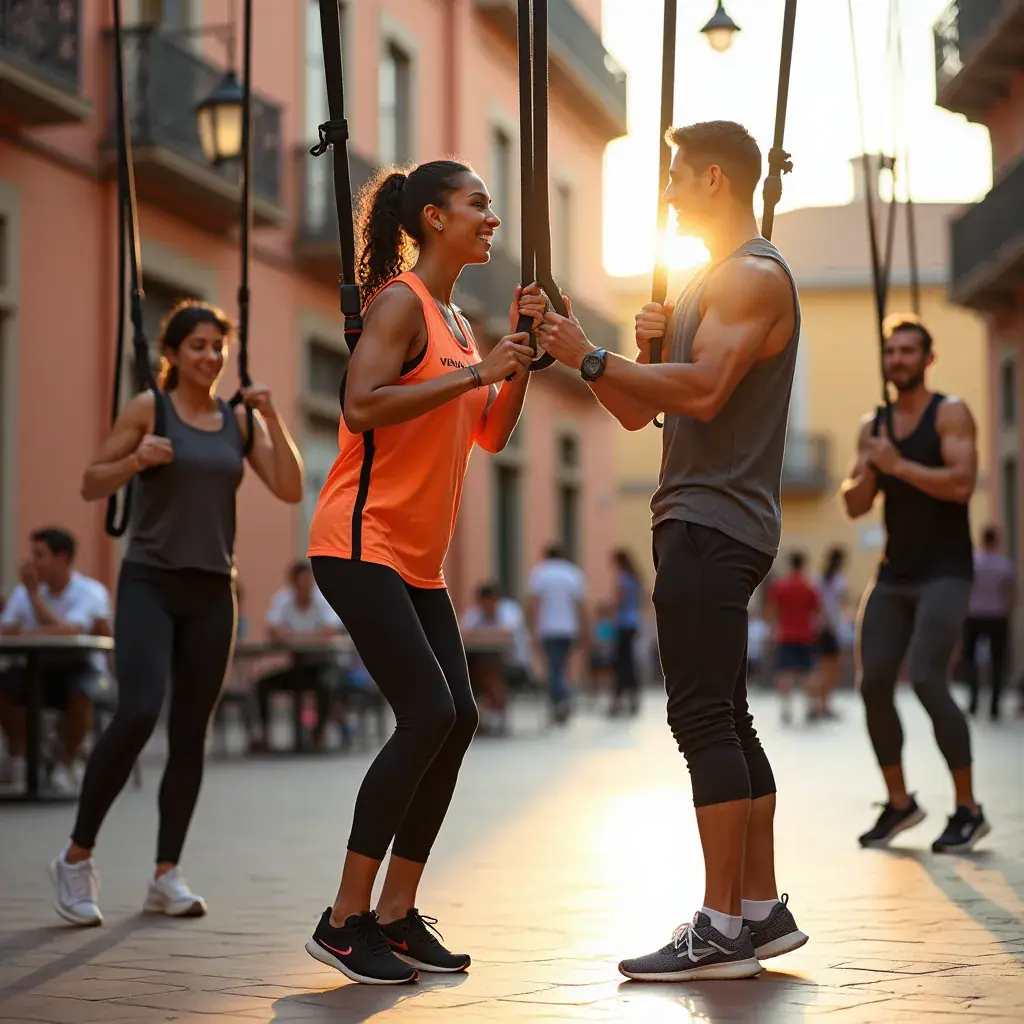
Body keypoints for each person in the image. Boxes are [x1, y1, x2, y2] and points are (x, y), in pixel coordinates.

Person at [537, 120, 807, 981]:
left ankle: (720, 926)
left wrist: (595, 358)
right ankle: (761, 911)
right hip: (706, 517)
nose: (668, 192)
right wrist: (624, 357)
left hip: (711, 522)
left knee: (700, 721)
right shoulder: (709, 283)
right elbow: (638, 410)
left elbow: (705, 389)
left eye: (678, 176)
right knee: (728, 716)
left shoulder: (752, 277)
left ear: (718, 179)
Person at [304, 160, 545, 985]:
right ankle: (344, 920)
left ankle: (398, 916)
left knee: (460, 716)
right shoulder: (401, 304)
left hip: (415, 560)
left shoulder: (460, 322)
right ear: (436, 218)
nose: (493, 218)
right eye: (479, 205)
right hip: (357, 541)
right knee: (427, 713)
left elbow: (489, 436)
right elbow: (360, 404)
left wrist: (514, 365)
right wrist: (475, 373)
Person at [50, 300, 304, 928]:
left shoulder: (238, 423)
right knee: (138, 712)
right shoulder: (149, 408)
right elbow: (90, 482)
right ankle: (76, 857)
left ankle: (167, 874)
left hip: (215, 589)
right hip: (149, 582)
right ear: (172, 354)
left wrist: (270, 417)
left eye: (217, 346)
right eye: (197, 346)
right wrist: (136, 460)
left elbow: (291, 487)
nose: (210, 356)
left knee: (192, 733)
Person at [841, 312, 990, 853]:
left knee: (927, 678)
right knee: (872, 683)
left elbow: (961, 484)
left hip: (945, 570)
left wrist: (898, 465)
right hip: (894, 573)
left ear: (928, 359)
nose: (898, 359)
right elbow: (854, 503)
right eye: (891, 351)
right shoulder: (873, 425)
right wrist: (874, 469)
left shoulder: (950, 413)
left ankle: (969, 810)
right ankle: (900, 803)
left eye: (908, 351)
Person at [0, 528, 112, 794]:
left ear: (62, 559)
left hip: (84, 669)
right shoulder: (23, 592)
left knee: (80, 692)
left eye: (40, 555)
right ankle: (23, 756)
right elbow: (7, 630)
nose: (32, 562)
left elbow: (70, 631)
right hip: (38, 671)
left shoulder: (90, 592)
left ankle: (67, 761)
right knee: (3, 687)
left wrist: (35, 600)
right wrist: (43, 625)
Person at [251, 560, 345, 752]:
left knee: (328, 684)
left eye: (309, 581)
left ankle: (318, 734)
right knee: (261, 684)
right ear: (293, 583)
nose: (306, 586)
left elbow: (331, 630)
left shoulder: (321, 599)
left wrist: (293, 636)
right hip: (296, 667)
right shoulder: (282, 600)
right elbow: (272, 630)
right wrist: (308, 636)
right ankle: (264, 735)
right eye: (302, 582)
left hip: (322, 665)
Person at [526, 545, 588, 725]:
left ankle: (559, 701)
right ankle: (562, 699)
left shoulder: (540, 573)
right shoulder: (573, 573)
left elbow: (534, 603)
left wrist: (532, 629)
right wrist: (585, 630)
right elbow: (580, 605)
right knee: (562, 667)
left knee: (553, 667)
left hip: (548, 629)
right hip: (569, 629)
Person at [461, 581, 530, 737]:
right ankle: (487, 713)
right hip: (480, 661)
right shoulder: (474, 613)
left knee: (489, 670)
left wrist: (478, 635)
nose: (486, 607)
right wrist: (488, 634)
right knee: (475, 670)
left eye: (489, 603)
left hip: (513, 664)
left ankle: (493, 712)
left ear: (497, 600)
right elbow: (462, 633)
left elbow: (505, 634)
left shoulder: (510, 610)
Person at [961, 525, 1015, 720]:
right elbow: (1010, 593)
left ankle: (974, 701)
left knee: (969, 660)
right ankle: (994, 706)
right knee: (998, 661)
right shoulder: (1004, 564)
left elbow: (964, 588)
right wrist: (1009, 612)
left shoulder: (972, 562)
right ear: (996, 541)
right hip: (997, 616)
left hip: (974, 615)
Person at [766, 551, 821, 725]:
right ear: (803, 565)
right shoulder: (809, 587)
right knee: (808, 673)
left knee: (784, 673)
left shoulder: (781, 586)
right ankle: (810, 708)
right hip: (805, 635)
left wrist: (774, 631)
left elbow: (773, 611)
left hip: (785, 635)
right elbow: (817, 613)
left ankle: (786, 709)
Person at [815, 545, 850, 720]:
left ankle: (820, 704)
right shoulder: (840, 582)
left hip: (819, 629)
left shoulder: (816, 580)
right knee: (833, 670)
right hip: (833, 630)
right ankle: (822, 705)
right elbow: (842, 607)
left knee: (823, 669)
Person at [609, 549, 643, 717]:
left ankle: (618, 700)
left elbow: (619, 600)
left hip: (623, 624)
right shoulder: (635, 578)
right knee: (629, 662)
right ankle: (631, 698)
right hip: (634, 622)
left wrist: (610, 609)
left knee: (622, 663)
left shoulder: (623, 578)